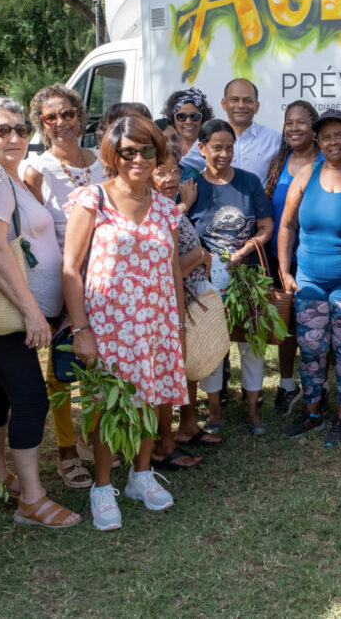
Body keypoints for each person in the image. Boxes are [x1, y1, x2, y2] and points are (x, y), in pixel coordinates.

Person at [0, 96, 81, 530]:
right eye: (2, 130)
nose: (14, 137)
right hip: (6, 313)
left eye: (21, 129)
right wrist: (31, 312)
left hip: (8, 313)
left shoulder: (5, 176)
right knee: (30, 398)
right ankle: (32, 498)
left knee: (1, 390)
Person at [62, 115, 188, 530]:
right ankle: (102, 487)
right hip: (107, 326)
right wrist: (81, 330)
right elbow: (71, 269)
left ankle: (141, 475)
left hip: (156, 324)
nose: (138, 158)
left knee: (152, 398)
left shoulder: (167, 210)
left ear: (158, 153)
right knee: (105, 406)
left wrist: (179, 329)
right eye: (127, 151)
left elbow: (172, 273)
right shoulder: (91, 199)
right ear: (112, 156)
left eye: (146, 150)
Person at [278, 110, 341, 447]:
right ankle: (312, 414)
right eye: (326, 136)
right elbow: (288, 224)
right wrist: (284, 269)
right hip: (310, 281)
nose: (333, 141)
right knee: (310, 350)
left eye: (340, 135)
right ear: (318, 142)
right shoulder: (307, 174)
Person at [24, 83, 100, 489]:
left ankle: (91, 437)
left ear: (79, 115)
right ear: (42, 124)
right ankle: (66, 451)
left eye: (66, 114)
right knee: (62, 369)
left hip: (105, 279)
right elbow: (33, 231)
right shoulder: (39, 170)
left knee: (97, 363)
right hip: (62, 278)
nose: (60, 123)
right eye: (50, 118)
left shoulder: (103, 160)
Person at [186, 119, 275, 435]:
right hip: (207, 285)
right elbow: (180, 231)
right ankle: (214, 412)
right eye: (216, 148)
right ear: (202, 149)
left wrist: (246, 249)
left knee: (251, 345)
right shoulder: (194, 186)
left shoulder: (249, 182)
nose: (224, 154)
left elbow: (266, 226)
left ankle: (252, 410)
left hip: (247, 278)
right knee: (212, 345)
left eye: (229, 147)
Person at [150, 149, 222, 468]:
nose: (169, 179)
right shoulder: (155, 211)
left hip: (188, 297)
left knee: (188, 362)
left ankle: (188, 424)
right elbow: (166, 268)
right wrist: (201, 257)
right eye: (161, 172)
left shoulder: (170, 208)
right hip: (168, 302)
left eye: (174, 172)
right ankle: (162, 443)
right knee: (170, 369)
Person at [262, 100, 322, 417]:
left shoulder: (328, 161)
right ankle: (288, 385)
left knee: (314, 328)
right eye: (289, 122)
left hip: (314, 259)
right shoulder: (279, 162)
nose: (294, 128)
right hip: (280, 258)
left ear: (315, 128)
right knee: (283, 325)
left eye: (301, 122)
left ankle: (319, 387)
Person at [164, 87, 215, 169]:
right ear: (172, 118)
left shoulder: (212, 146)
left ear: (203, 118)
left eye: (194, 116)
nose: (188, 121)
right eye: (181, 116)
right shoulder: (165, 145)